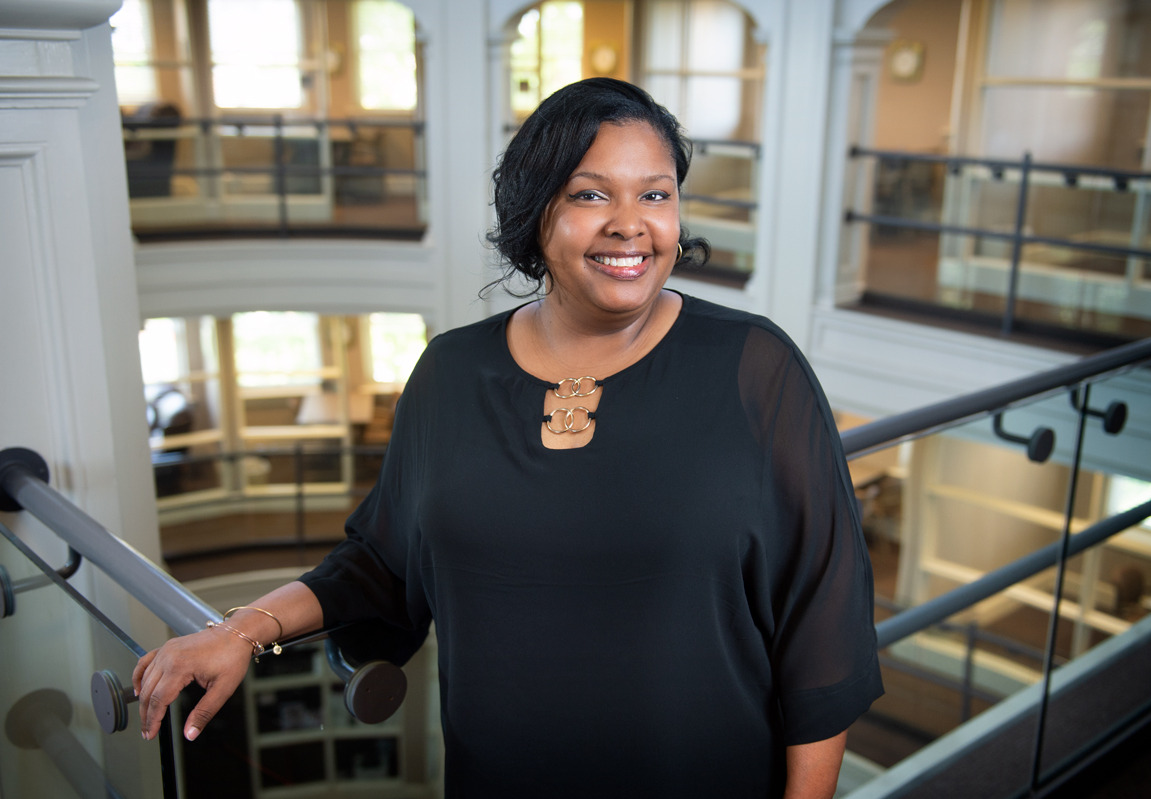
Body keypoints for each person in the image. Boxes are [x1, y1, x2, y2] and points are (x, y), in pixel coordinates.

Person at [133, 78, 883, 798]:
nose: (632, 224)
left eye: (656, 194)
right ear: (535, 214)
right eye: (591, 195)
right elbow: (383, 564)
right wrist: (243, 629)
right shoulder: (451, 372)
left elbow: (822, 621)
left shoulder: (756, 367)